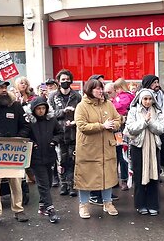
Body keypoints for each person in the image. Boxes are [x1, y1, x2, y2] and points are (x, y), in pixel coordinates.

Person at [0, 78, 30, 227]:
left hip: (12, 150)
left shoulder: (15, 106)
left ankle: (18, 209)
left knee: (16, 182)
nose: (4, 90)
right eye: (0, 87)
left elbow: (25, 125)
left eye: (5, 87)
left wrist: (19, 137)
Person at [74, 79, 121, 219]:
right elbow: (82, 126)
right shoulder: (82, 106)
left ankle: (108, 203)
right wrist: (102, 126)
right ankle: (83, 205)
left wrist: (115, 125)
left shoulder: (108, 104)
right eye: (97, 89)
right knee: (85, 177)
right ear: (89, 90)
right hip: (88, 149)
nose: (101, 91)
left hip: (106, 147)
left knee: (108, 175)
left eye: (101, 88)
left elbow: (118, 119)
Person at [125, 89, 164, 215]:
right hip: (138, 146)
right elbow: (131, 129)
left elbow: (160, 129)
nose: (147, 102)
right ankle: (140, 204)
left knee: (154, 175)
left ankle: (153, 204)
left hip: (154, 146)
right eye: (145, 99)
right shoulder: (133, 111)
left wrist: (150, 122)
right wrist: (144, 122)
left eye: (150, 99)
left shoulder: (158, 111)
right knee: (139, 175)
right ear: (140, 99)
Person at [23, 97, 63, 223]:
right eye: (38, 109)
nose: (41, 111)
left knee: (49, 182)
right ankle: (51, 209)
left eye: (43, 108)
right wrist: (32, 143)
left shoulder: (51, 120)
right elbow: (22, 136)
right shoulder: (29, 122)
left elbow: (60, 132)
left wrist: (54, 142)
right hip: (36, 157)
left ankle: (42, 206)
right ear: (34, 110)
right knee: (43, 184)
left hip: (49, 155)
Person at [48, 69, 81, 197]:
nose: (65, 82)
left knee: (72, 159)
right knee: (61, 160)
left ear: (71, 80)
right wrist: (63, 111)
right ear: (58, 81)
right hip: (59, 133)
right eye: (63, 80)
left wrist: (74, 119)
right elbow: (49, 114)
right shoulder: (53, 96)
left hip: (73, 132)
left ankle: (72, 184)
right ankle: (63, 184)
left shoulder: (77, 96)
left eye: (67, 80)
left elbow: (81, 113)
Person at [141, 75, 164, 191]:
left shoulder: (162, 95)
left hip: (162, 131)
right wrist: (163, 116)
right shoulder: (143, 96)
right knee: (151, 161)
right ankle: (150, 189)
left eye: (157, 82)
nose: (157, 85)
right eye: (154, 82)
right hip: (149, 133)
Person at [111, 78, 135, 190]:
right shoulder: (129, 96)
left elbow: (119, 107)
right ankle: (123, 179)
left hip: (121, 130)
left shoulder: (124, 97)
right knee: (122, 153)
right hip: (122, 130)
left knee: (122, 154)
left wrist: (113, 102)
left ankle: (123, 179)